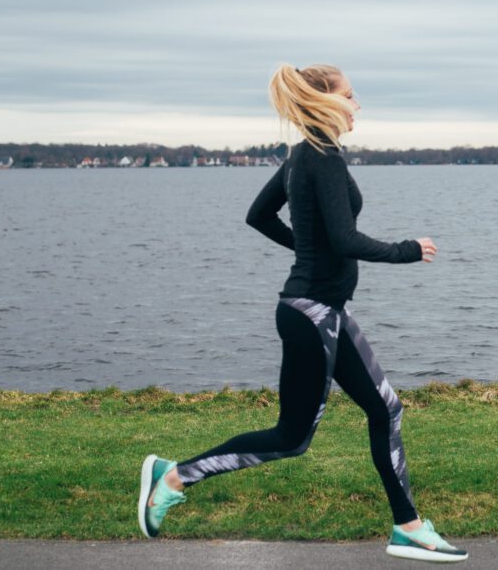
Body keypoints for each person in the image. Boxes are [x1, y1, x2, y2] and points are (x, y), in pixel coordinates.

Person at [138, 63, 467, 562]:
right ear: (327, 101)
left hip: (321, 311)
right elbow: (343, 239)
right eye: (351, 96)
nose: (358, 105)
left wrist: (306, 252)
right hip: (314, 316)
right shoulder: (322, 159)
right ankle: (175, 476)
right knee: (292, 438)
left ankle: (409, 528)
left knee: (386, 409)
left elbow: (259, 216)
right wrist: (407, 249)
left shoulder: (301, 156)